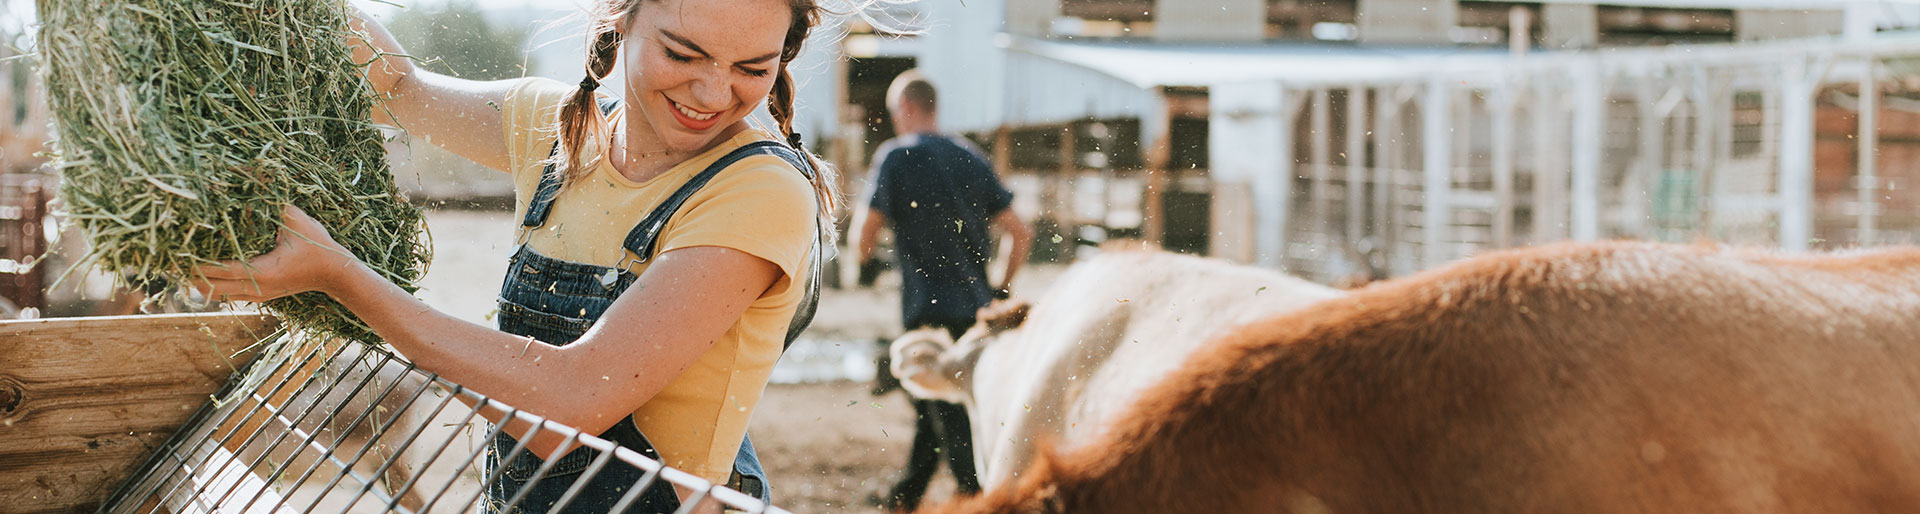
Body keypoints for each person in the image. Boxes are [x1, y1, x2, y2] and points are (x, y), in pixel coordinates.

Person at [191, 0, 846, 512]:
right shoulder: (556, 128)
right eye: (683, 53)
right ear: (620, 17)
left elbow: (575, 398)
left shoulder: (760, 191)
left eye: (751, 69)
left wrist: (339, 275)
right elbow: (396, 86)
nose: (712, 93)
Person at [854, 70, 1032, 512]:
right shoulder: (970, 156)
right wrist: (1001, 287)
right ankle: (907, 495)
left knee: (949, 417)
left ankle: (976, 497)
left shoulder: (895, 156)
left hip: (925, 312)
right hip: (975, 312)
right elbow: (1020, 232)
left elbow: (864, 234)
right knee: (935, 407)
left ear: (906, 110)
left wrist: (866, 265)